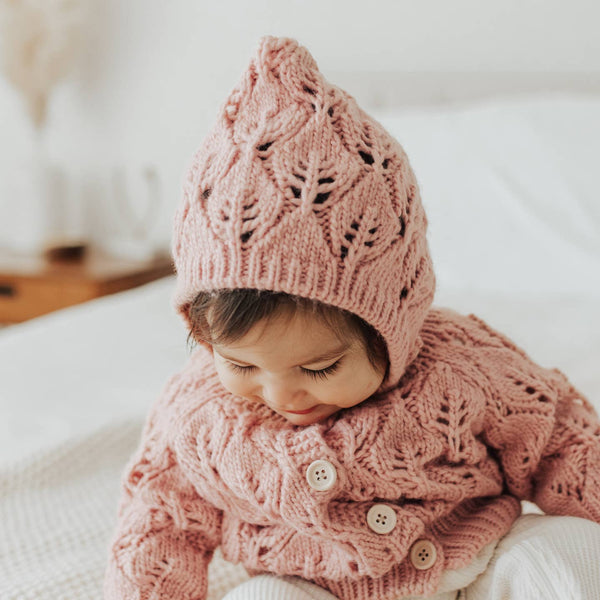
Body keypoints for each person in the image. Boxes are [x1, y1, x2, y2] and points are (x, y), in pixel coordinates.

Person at [103, 36, 600, 600]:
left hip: (475, 560)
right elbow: (157, 523)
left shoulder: (466, 366)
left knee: (567, 554)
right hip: (314, 585)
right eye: (240, 363)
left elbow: (563, 441)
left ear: (394, 329)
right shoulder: (194, 419)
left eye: (319, 368)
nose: (282, 394)